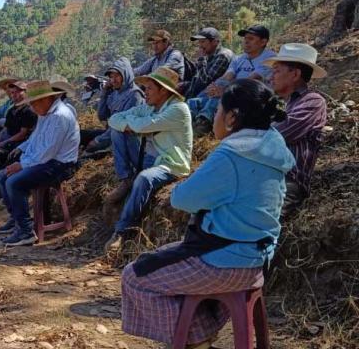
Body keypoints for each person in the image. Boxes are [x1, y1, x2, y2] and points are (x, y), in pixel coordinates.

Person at [120, 80, 294, 349]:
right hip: (259, 260)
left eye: (217, 111)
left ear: (232, 117)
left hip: (224, 262)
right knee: (166, 258)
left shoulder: (232, 154)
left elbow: (182, 200)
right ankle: (199, 335)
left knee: (135, 276)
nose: (214, 117)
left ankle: (195, 339)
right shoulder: (274, 145)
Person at [104, 67, 193, 254]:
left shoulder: (178, 109)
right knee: (117, 131)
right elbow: (114, 118)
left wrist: (134, 123)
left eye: (150, 88)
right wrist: (131, 124)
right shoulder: (150, 107)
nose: (146, 92)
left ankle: (121, 232)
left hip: (170, 164)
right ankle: (126, 177)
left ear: (164, 91)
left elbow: (146, 125)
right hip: (150, 157)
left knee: (145, 178)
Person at [0, 80, 80, 246]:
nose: (32, 107)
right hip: (46, 161)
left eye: (33, 103)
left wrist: (22, 165)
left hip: (60, 165)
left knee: (14, 182)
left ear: (45, 100)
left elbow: (48, 151)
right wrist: (22, 149)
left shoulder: (59, 116)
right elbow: (36, 138)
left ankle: (26, 231)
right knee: (2, 176)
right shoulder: (45, 114)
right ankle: (17, 220)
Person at [265, 43, 328, 218]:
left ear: (295, 74)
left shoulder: (313, 102)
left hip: (286, 181)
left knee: (257, 225)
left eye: (277, 71)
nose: (271, 77)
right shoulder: (286, 104)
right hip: (267, 177)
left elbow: (275, 137)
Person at [189, 25, 276, 136]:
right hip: (232, 91)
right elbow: (226, 76)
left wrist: (226, 90)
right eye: (245, 38)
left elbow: (251, 81)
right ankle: (191, 120)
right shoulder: (239, 58)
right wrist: (214, 87)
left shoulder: (269, 58)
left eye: (251, 39)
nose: (246, 42)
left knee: (221, 96)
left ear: (263, 42)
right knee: (195, 100)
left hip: (252, 96)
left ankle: (203, 122)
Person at [80, 57, 145, 160]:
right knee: (81, 135)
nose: (113, 80)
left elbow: (119, 127)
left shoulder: (134, 95)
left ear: (126, 75)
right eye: (111, 76)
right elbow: (102, 116)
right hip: (109, 134)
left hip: (122, 140)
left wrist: (97, 141)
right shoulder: (115, 92)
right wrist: (105, 92)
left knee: (87, 156)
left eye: (117, 76)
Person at [0, 80, 38, 173]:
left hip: (20, 141)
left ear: (25, 92)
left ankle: (0, 178)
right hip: (9, 139)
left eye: (18, 92)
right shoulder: (12, 110)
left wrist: (2, 143)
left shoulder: (29, 111)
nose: (14, 95)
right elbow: (5, 129)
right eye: (12, 92)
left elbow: (22, 134)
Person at [181, 27, 233, 99]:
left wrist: (201, 59)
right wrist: (185, 84)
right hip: (195, 97)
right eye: (199, 42)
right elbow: (198, 79)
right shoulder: (208, 55)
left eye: (203, 41)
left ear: (215, 42)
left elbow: (205, 82)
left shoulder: (223, 55)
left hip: (209, 100)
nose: (200, 45)